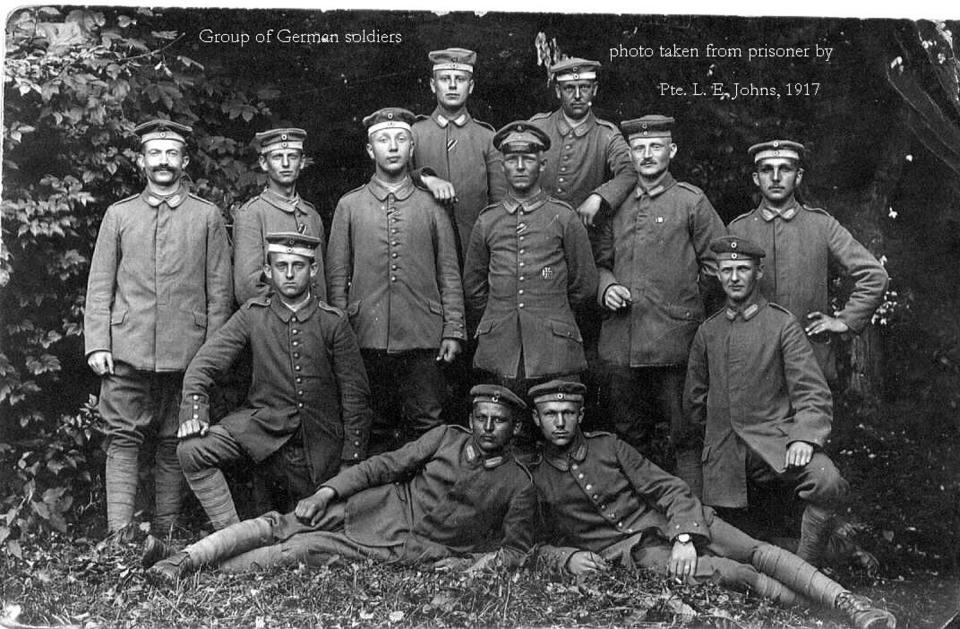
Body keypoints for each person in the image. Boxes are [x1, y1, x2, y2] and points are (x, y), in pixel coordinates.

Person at [528, 380, 896, 629]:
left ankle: (849, 604)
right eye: (550, 414)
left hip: (681, 520)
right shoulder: (533, 477)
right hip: (638, 554)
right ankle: (826, 611)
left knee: (754, 550)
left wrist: (685, 536)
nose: (560, 422)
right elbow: (526, 545)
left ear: (579, 414)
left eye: (568, 412)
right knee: (734, 573)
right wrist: (565, 558)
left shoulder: (608, 447)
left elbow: (669, 488)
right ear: (536, 419)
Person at [146, 385, 536, 582]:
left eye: (498, 421)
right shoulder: (446, 438)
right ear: (470, 419)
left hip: (404, 547)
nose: (486, 428)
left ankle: (192, 565)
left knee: (298, 550)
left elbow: (515, 550)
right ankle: (185, 558)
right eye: (480, 418)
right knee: (281, 523)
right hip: (375, 506)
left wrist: (466, 566)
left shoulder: (518, 482)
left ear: (515, 427)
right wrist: (326, 492)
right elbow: (382, 466)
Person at [83, 119, 233, 535]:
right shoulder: (119, 215)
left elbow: (219, 294)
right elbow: (99, 286)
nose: (163, 162)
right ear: (141, 161)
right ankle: (117, 537)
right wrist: (98, 343)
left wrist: (210, 358)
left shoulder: (206, 217)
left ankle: (165, 532)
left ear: (184, 161)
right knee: (122, 439)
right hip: (126, 349)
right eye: (155, 153)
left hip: (187, 354)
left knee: (174, 440)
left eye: (171, 154)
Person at [174, 232, 372, 531]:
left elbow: (356, 397)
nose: (289, 274)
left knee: (312, 530)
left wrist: (350, 463)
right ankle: (231, 533)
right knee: (191, 450)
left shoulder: (333, 322)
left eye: (298, 265)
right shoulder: (253, 315)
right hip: (262, 434)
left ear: (313, 270)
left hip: (318, 447)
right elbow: (203, 366)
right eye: (281, 266)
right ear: (268, 271)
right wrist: (194, 412)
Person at [683, 235, 849, 567]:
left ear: (758, 273)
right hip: (725, 458)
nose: (733, 277)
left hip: (772, 448)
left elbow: (812, 391)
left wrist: (803, 435)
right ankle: (838, 553)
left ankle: (809, 566)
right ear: (716, 273)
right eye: (726, 269)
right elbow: (695, 401)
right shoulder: (708, 332)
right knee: (735, 548)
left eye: (742, 269)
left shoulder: (781, 324)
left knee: (826, 480)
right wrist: (715, 441)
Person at [596, 115, 724, 490]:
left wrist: (683, 304)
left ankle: (693, 520)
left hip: (675, 345)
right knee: (627, 436)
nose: (647, 155)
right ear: (630, 155)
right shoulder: (614, 203)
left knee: (685, 434)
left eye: (655, 147)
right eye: (639, 148)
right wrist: (606, 287)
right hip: (621, 344)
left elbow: (717, 264)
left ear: (672, 151)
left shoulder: (690, 201)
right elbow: (598, 262)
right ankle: (640, 521)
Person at [326, 107, 465, 453]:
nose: (392, 147)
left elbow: (449, 272)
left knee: (427, 424)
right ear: (370, 151)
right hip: (365, 338)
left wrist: (453, 330)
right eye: (383, 140)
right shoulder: (349, 205)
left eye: (401, 139)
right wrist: (340, 335)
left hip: (424, 336)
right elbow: (337, 275)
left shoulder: (432, 206)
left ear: (411, 148)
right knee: (374, 426)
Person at [727, 140, 888, 382]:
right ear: (755, 178)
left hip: (810, 364)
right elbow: (719, 291)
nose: (776, 177)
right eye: (767, 170)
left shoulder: (821, 225)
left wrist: (845, 321)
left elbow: (875, 276)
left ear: (799, 176)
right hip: (753, 368)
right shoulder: (738, 229)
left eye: (785, 169)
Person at [464, 122, 597, 397]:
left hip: (555, 351)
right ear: (503, 167)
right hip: (500, 351)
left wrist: (551, 314)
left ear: (543, 165)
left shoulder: (564, 217)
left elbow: (584, 285)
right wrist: (500, 319)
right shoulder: (487, 221)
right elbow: (474, 287)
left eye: (528, 159)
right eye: (513, 159)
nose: (521, 166)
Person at [411, 47, 506, 264]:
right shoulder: (414, 134)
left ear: (470, 86)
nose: (452, 85)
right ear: (433, 85)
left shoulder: (487, 137)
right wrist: (425, 177)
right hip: (424, 246)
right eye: (445, 79)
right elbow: (397, 180)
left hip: (476, 248)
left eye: (460, 79)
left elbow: (499, 202)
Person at [232, 128, 326, 305]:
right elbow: (248, 287)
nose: (285, 164)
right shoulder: (252, 214)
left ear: (302, 161)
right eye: (277, 157)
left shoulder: (312, 216)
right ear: (264, 163)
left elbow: (320, 280)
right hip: (273, 325)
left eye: (292, 156)